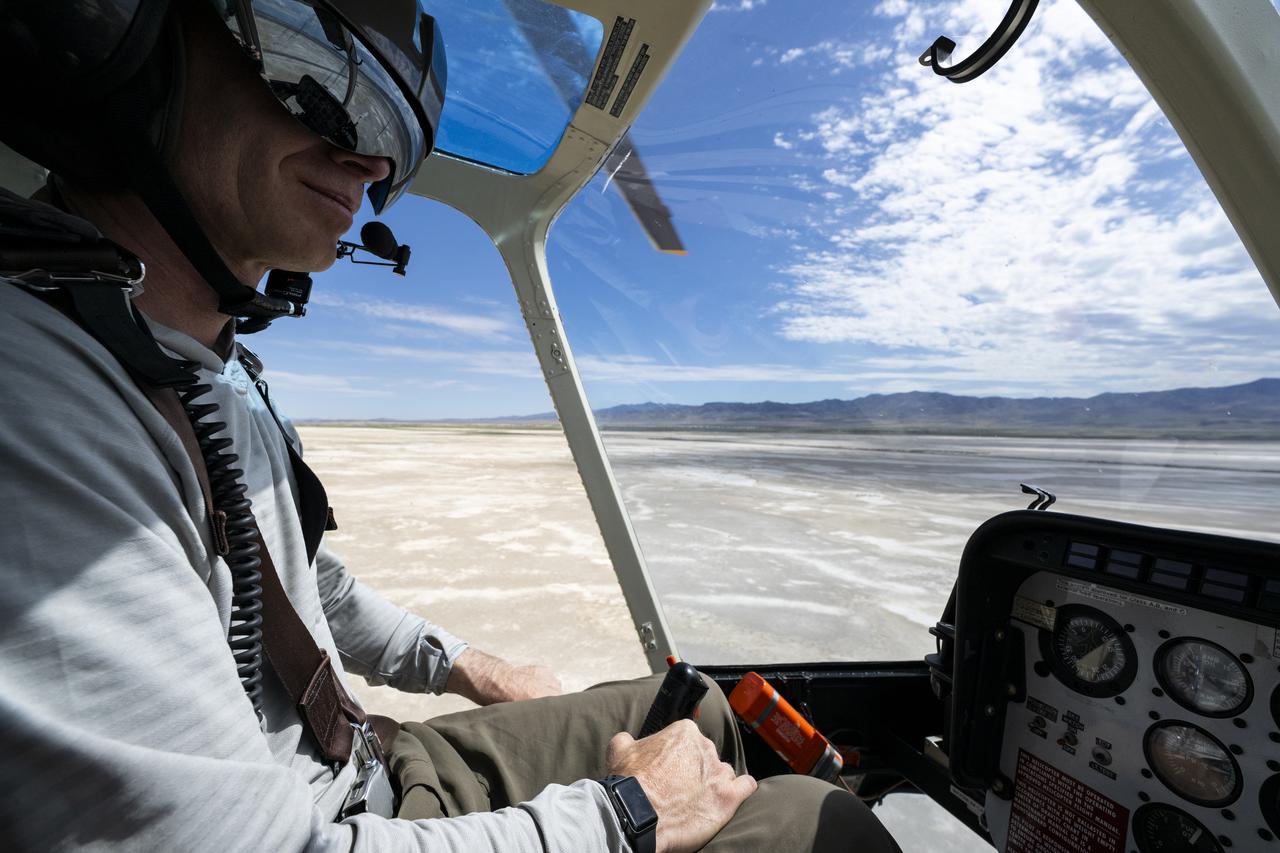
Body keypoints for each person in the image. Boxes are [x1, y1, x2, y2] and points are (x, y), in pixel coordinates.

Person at [0, 1, 903, 851]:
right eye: (324, 80)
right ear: (123, 39)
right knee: (815, 823)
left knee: (696, 708)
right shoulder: (37, 391)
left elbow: (305, 582)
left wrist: (465, 662)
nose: (372, 163)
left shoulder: (197, 372)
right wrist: (626, 813)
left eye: (393, 129)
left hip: (365, 769)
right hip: (336, 817)